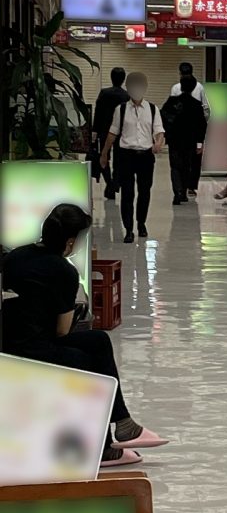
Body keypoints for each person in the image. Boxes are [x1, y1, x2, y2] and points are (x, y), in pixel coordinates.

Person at [1, 205, 168, 467]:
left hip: (11, 339)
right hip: (32, 349)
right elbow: (62, 330)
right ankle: (103, 447)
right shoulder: (64, 272)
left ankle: (122, 424)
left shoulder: (16, 256)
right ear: (69, 242)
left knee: (99, 340)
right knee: (85, 361)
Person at [100, 72, 164, 243]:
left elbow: (159, 131)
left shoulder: (152, 109)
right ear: (127, 88)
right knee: (127, 193)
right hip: (125, 156)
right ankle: (128, 229)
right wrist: (104, 153)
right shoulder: (120, 109)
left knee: (145, 191)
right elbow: (113, 133)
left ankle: (141, 223)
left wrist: (159, 143)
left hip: (145, 156)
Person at [161, 75, 208, 206]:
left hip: (174, 140)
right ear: (193, 88)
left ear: (181, 86)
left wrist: (166, 134)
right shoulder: (196, 104)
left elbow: (163, 117)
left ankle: (177, 192)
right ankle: (184, 192)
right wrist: (200, 143)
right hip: (190, 141)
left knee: (175, 166)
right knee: (187, 166)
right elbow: (202, 126)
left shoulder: (172, 102)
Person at [91, 67, 129, 200]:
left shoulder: (104, 93)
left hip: (104, 130)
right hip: (121, 131)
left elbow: (98, 112)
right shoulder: (126, 96)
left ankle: (109, 182)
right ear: (123, 79)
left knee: (103, 156)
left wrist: (94, 130)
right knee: (119, 159)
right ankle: (114, 184)